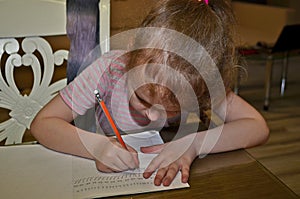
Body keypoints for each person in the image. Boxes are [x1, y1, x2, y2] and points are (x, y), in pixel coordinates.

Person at [30, 0, 269, 187]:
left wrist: (193, 145)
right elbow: (42, 124)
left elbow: (257, 127)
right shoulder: (108, 71)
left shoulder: (198, 84)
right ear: (132, 51)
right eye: (143, 99)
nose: (155, 118)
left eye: (172, 110)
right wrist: (96, 147)